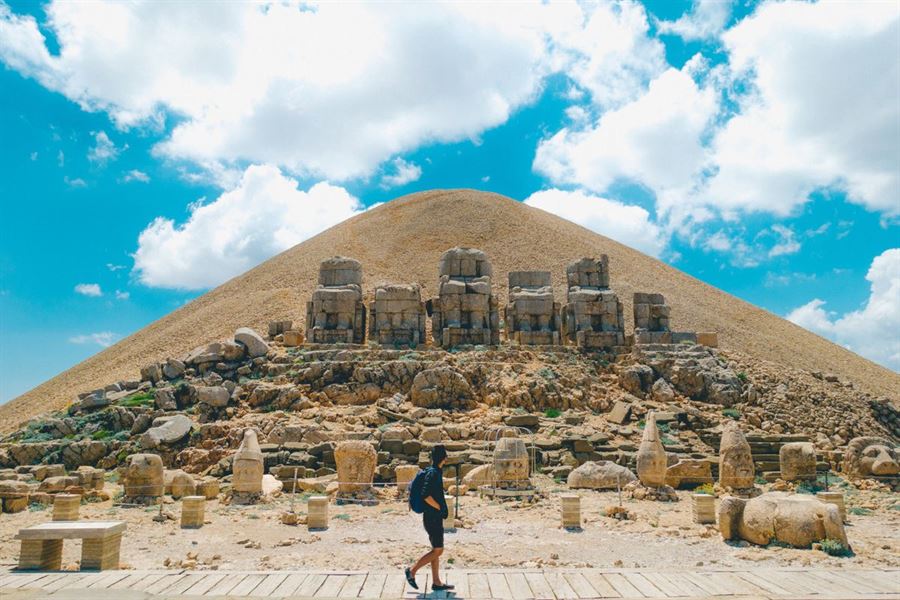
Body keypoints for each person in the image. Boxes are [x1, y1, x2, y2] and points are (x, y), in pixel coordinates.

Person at [405, 444, 454, 592]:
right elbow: (425, 495)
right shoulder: (434, 474)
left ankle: (436, 582)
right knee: (438, 550)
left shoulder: (434, 471)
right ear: (443, 458)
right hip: (432, 518)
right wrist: (438, 507)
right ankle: (412, 571)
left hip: (432, 518)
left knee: (435, 550)